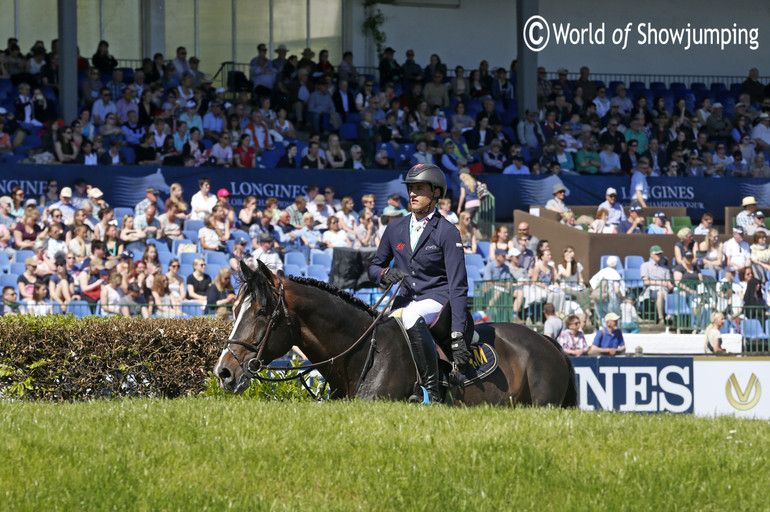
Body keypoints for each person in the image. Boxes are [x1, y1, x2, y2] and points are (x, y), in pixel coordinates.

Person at [368, 164, 470, 404]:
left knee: (412, 316)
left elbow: (458, 285)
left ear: (435, 193)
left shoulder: (447, 232)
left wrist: (457, 332)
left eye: (419, 189)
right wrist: (385, 274)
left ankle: (433, 392)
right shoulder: (395, 227)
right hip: (404, 301)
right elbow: (374, 266)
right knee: (380, 329)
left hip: (437, 298)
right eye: (411, 189)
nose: (412, 194)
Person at [640, 245, 674, 325]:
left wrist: (670, 285)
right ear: (651, 254)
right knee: (660, 293)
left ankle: (674, 317)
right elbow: (646, 282)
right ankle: (661, 318)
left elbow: (668, 282)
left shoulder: (665, 268)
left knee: (675, 293)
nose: (659, 255)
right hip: (651, 289)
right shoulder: (645, 265)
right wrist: (661, 283)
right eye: (657, 254)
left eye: (660, 254)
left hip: (664, 289)